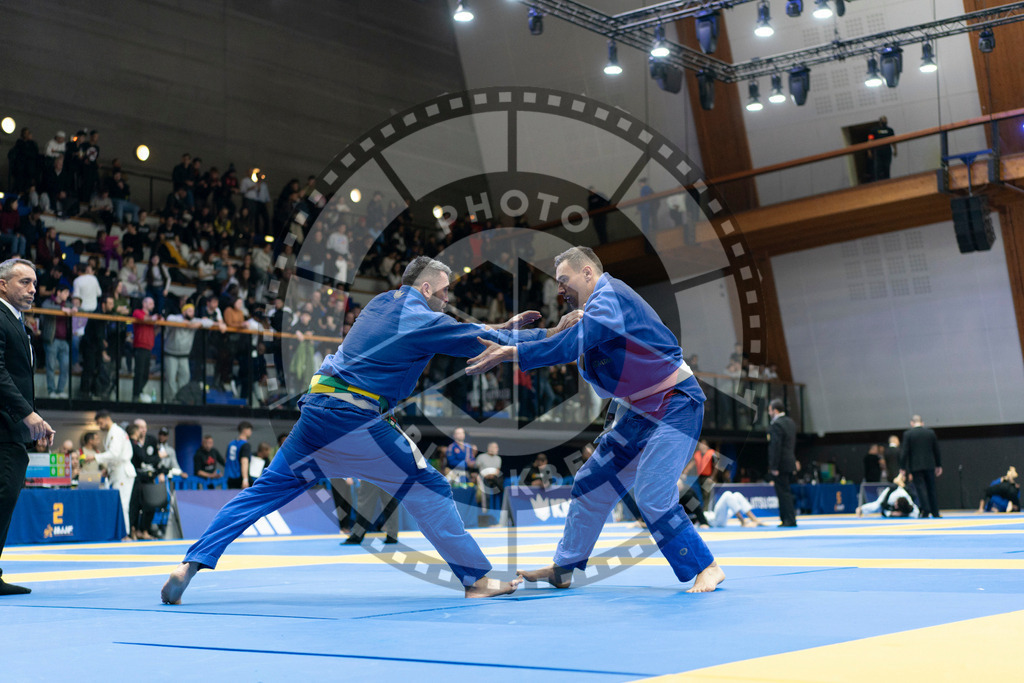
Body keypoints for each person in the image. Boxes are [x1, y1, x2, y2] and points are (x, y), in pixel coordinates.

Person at [161, 256, 576, 604]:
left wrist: (503, 329)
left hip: (314, 417)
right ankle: (476, 581)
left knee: (260, 493)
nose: (448, 300)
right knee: (429, 486)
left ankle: (190, 564)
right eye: (445, 291)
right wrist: (550, 333)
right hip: (355, 421)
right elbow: (470, 337)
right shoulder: (420, 317)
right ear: (428, 289)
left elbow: (458, 333)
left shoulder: (378, 304)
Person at [467, 246, 724, 593]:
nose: (559, 290)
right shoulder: (591, 315)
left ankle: (706, 566)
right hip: (638, 412)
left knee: (651, 492)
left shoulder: (611, 297)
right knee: (591, 480)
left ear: (588, 273)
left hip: (676, 402)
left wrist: (514, 353)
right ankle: (565, 566)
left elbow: (568, 343)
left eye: (564, 280)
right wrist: (495, 336)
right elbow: (554, 337)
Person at [0, 259, 55, 595]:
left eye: (34, 282)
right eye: (24, 282)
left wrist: (35, 421)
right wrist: (27, 414)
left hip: (12, 428)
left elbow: (19, 381)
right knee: (4, 494)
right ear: (2, 284)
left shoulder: (19, 323)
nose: (32, 289)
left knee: (5, 497)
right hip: (4, 428)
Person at [87, 410, 135, 538]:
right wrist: (107, 469)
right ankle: (121, 532)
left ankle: (125, 534)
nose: (99, 426)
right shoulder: (112, 433)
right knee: (118, 503)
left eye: (100, 423)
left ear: (106, 418)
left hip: (123, 471)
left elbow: (115, 454)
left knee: (123, 503)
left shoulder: (116, 432)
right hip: (116, 471)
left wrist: (95, 457)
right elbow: (114, 456)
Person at [899, 415, 942, 519]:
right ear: (922, 423)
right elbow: (936, 450)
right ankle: (935, 512)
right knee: (931, 487)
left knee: (920, 488)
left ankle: (925, 510)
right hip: (929, 464)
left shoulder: (908, 434)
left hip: (916, 465)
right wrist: (938, 465)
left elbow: (905, 451)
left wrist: (902, 467)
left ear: (912, 423)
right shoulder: (930, 433)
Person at [767, 399, 798, 527]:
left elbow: (776, 447)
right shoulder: (790, 422)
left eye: (769, 410)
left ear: (775, 410)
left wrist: (774, 466)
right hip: (789, 461)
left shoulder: (777, 424)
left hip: (780, 464)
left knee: (783, 492)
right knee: (786, 491)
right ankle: (788, 518)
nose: (769, 413)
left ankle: (788, 519)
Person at [131, 297, 160, 401]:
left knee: (145, 374)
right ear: (144, 303)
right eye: (150, 303)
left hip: (148, 347)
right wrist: (153, 319)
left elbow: (153, 333)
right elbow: (143, 319)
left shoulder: (151, 318)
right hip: (140, 346)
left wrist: (159, 324)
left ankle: (139, 392)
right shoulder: (137, 312)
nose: (153, 305)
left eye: (153, 303)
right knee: (139, 372)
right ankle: (135, 395)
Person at [224, 421, 253, 489]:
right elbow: (244, 462)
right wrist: (245, 479)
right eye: (250, 430)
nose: (251, 433)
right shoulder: (245, 445)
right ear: (245, 430)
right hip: (240, 478)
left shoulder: (231, 444)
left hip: (230, 478)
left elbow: (226, 460)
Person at [868, 116, 897, 181]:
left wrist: (895, 149)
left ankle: (887, 182)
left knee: (887, 168)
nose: (885, 121)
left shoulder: (890, 130)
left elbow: (893, 141)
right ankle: (878, 183)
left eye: (886, 119)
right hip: (878, 152)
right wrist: (869, 151)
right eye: (884, 119)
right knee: (878, 169)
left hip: (887, 152)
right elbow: (870, 140)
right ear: (880, 121)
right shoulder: (874, 130)